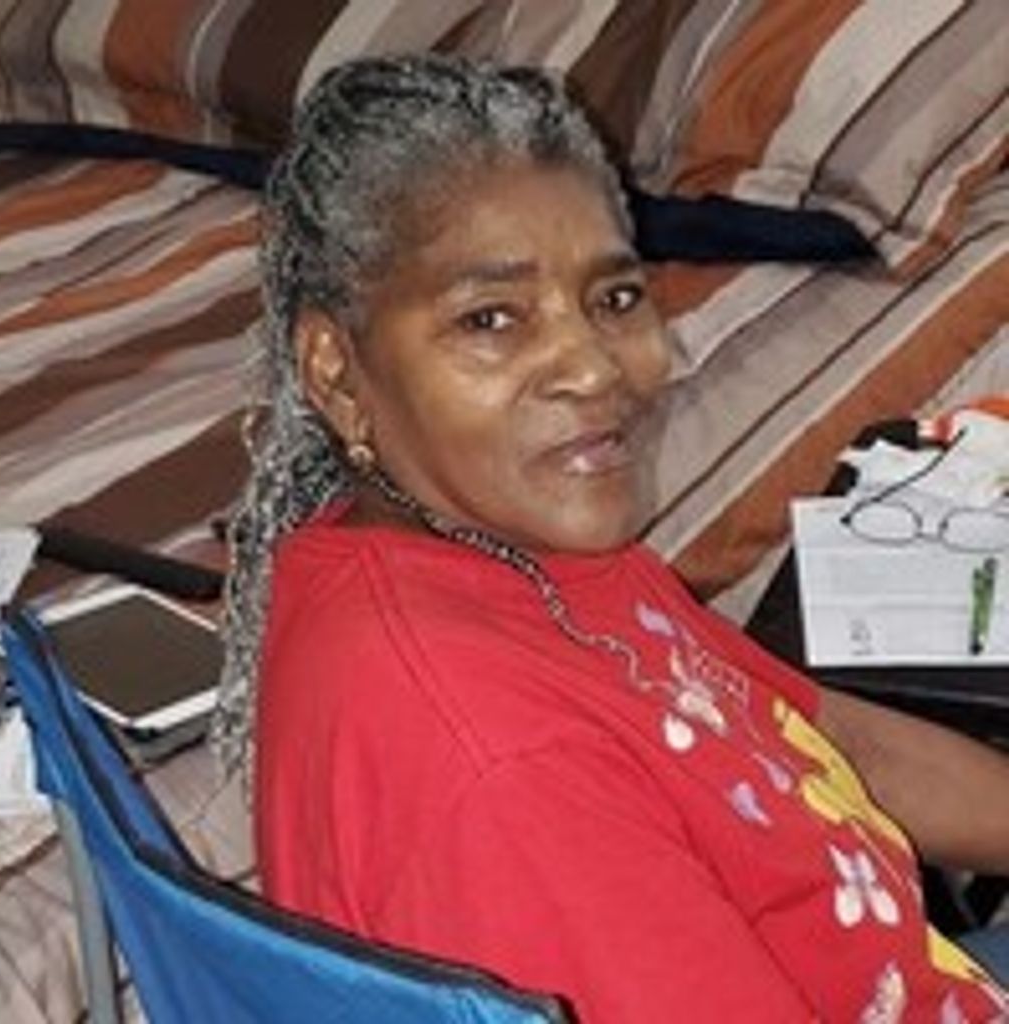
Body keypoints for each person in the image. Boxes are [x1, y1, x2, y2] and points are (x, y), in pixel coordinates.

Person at [212, 53, 1009, 1022]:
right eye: (490, 318)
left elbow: (826, 739)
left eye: (615, 298)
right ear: (337, 374)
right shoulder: (501, 764)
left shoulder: (517, 546)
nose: (593, 368)